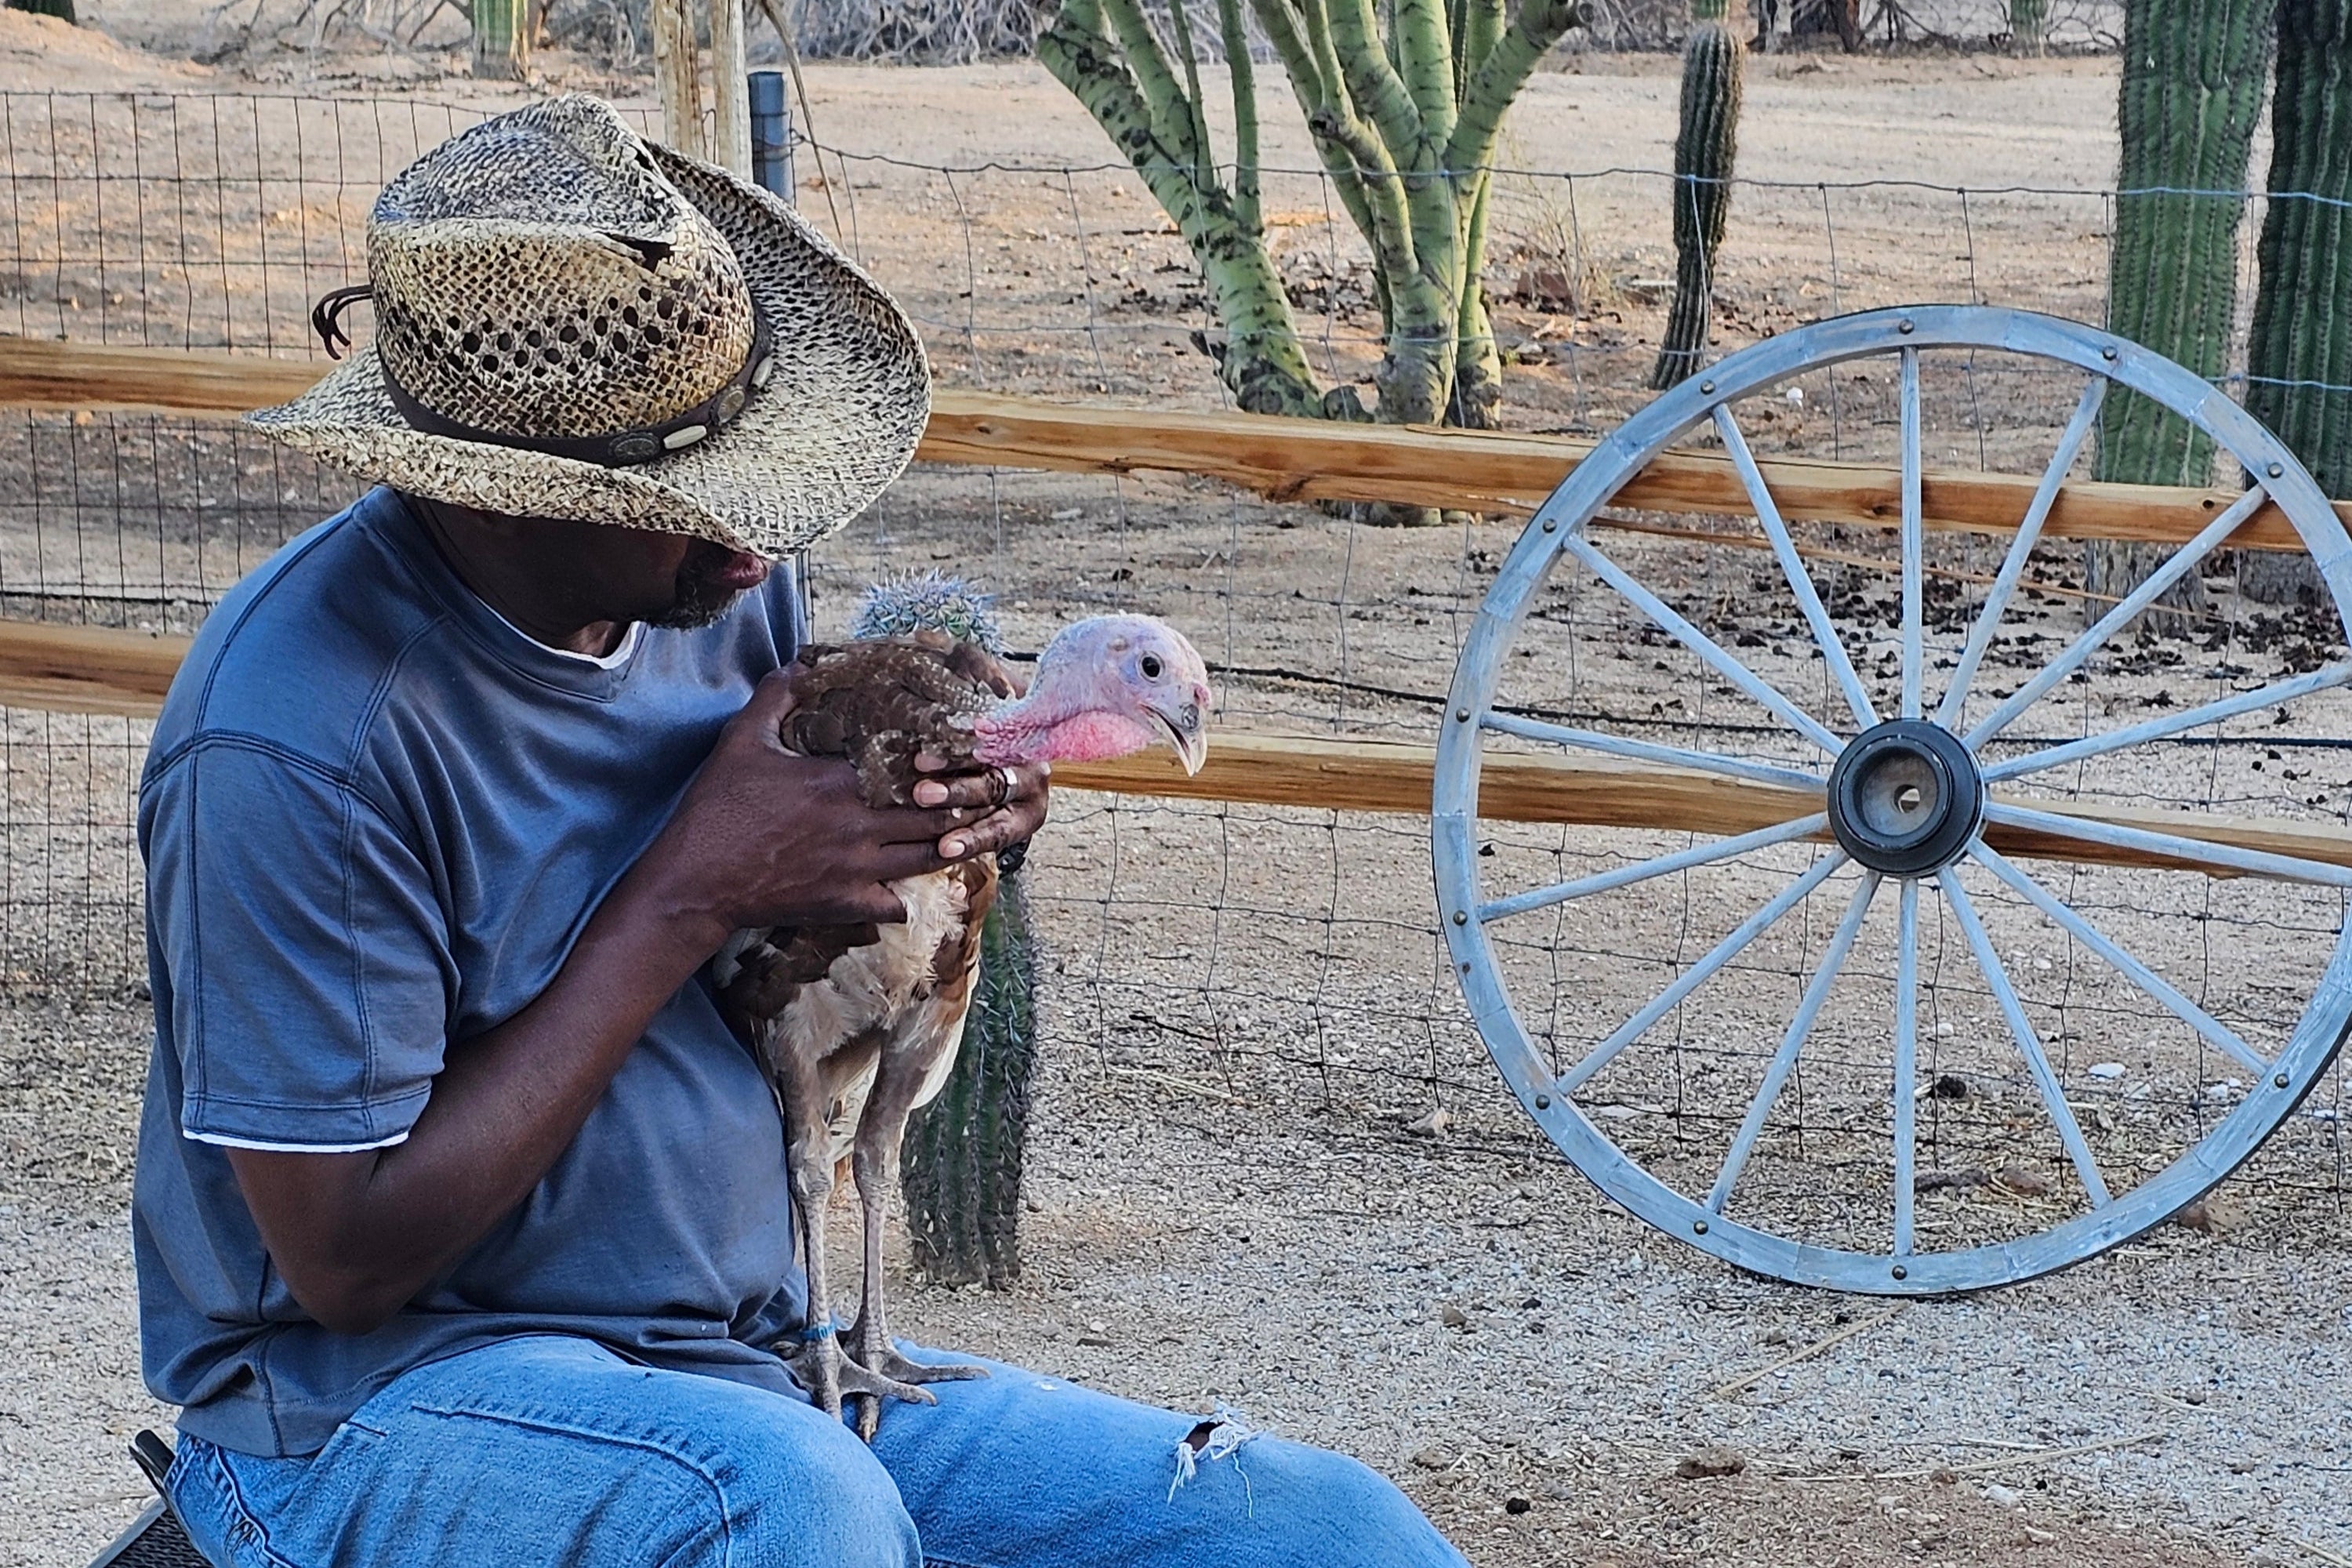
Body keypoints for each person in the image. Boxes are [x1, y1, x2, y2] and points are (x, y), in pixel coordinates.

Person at [130, 93, 1468, 1568]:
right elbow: (345, 1259)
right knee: (793, 1512)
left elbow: (794, 909)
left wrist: (941, 828)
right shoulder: (298, 740)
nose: (757, 540)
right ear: (498, 489)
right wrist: (687, 895)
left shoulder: (707, 586)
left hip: (752, 1359)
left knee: (1323, 1533)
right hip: (375, 1414)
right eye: (689, 492)